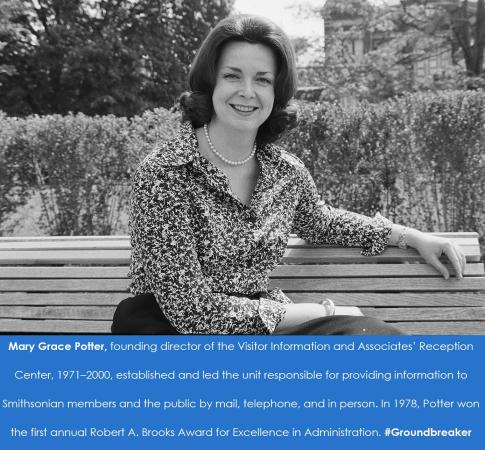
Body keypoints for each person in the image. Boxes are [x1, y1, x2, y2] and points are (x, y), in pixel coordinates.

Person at [111, 14, 466, 335]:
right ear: (210, 83)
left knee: (374, 341)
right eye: (232, 75)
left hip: (258, 332)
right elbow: (191, 312)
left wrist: (410, 236)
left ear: (276, 91)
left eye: (262, 80)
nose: (247, 92)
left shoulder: (285, 172)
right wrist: (320, 310)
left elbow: (322, 223)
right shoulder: (165, 171)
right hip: (167, 338)